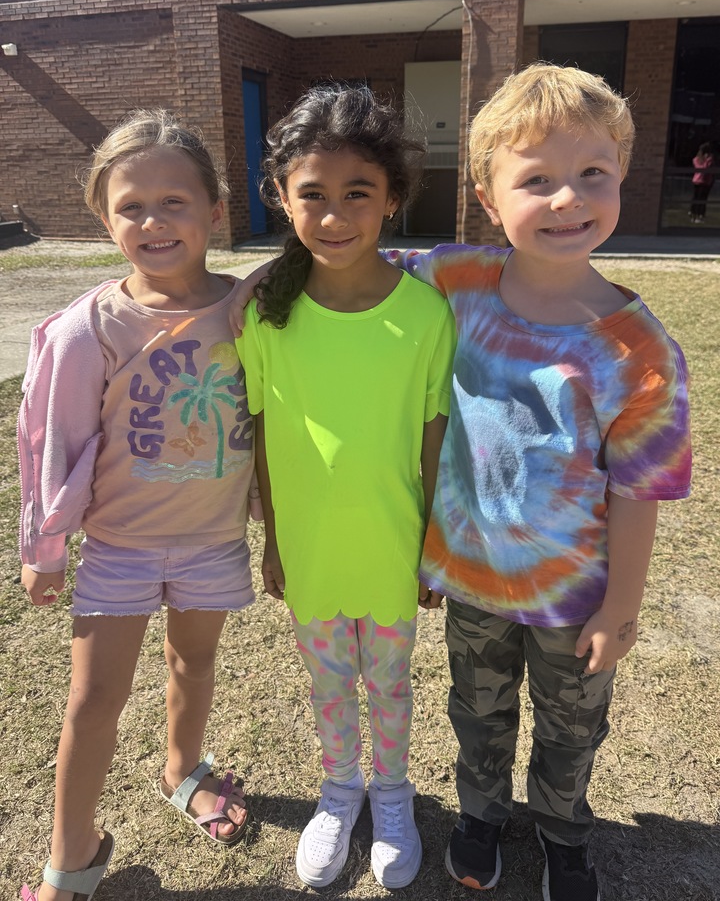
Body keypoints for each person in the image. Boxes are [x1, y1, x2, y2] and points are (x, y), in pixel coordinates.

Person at [380, 64, 692, 900]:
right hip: (473, 580)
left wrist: (621, 610)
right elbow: (351, 264)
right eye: (537, 179)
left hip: (575, 599)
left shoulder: (640, 350)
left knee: (570, 727)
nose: (567, 199)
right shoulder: (455, 281)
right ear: (488, 196)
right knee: (476, 711)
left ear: (622, 174)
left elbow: (637, 494)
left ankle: (563, 831)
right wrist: (243, 288)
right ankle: (481, 814)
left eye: (592, 173)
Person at [18, 109, 261, 901]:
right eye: (131, 206)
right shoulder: (89, 328)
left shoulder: (252, 308)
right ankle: (71, 857)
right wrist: (43, 547)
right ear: (103, 216)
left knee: (195, 661)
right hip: (119, 546)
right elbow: (51, 442)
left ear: (216, 210)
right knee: (92, 703)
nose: (153, 222)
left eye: (175, 202)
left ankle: (183, 769)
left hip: (213, 539)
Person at [235, 83, 456, 890]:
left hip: (394, 546)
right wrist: (274, 539)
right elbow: (260, 432)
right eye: (312, 196)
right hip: (312, 550)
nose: (334, 215)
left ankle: (392, 795)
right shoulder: (268, 315)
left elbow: (433, 436)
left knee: (390, 683)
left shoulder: (428, 318)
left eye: (357, 193)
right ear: (281, 201)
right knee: (331, 682)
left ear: (392, 197)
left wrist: (433, 544)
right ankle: (340, 793)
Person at [689, 142, 715, 222]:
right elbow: (702, 168)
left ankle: (700, 214)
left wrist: (707, 160)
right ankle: (695, 213)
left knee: (702, 199)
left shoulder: (709, 159)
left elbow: (707, 167)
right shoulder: (697, 159)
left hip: (706, 181)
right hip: (699, 180)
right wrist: (705, 162)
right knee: (698, 198)